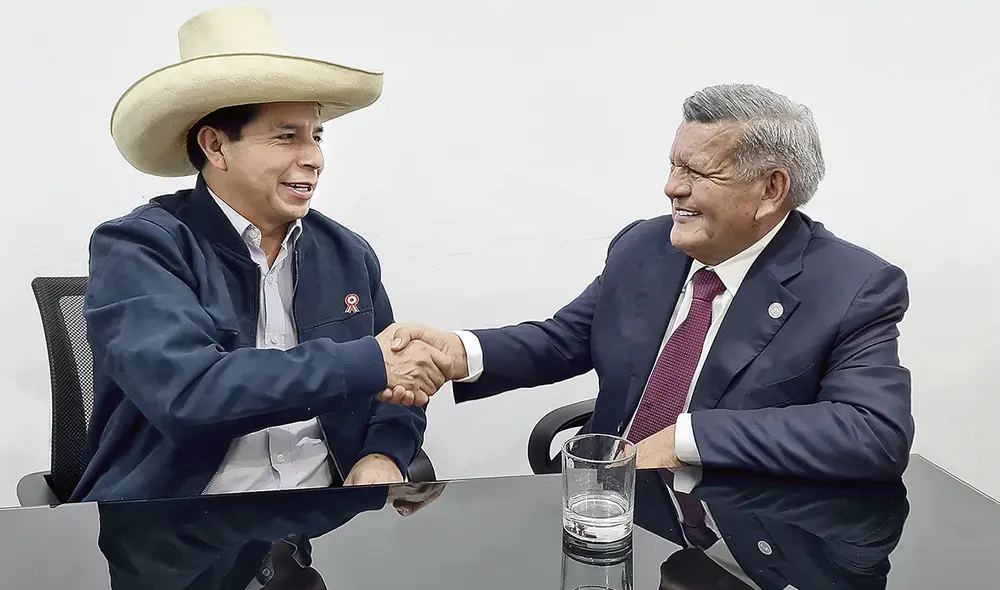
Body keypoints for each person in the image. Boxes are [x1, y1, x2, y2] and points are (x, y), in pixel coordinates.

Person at [382, 83, 914, 481]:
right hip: (611, 510)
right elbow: (565, 339)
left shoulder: (854, 287)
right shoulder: (646, 246)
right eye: (671, 166)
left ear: (771, 190)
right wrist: (457, 352)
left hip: (735, 540)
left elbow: (873, 433)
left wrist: (689, 437)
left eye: (697, 173)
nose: (671, 188)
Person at [73, 6, 452, 502]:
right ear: (215, 146)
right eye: (285, 136)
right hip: (181, 528)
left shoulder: (347, 253)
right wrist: (368, 363)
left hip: (321, 524)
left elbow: (396, 388)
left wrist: (382, 452)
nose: (313, 156)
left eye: (316, 135)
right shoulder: (141, 246)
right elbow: (190, 395)